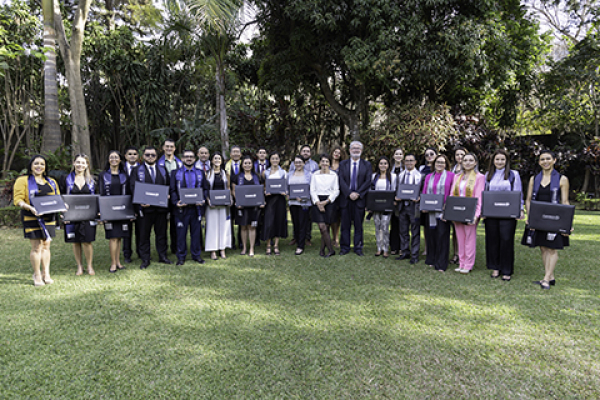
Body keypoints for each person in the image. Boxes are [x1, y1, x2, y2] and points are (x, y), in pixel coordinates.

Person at [522, 150, 570, 290]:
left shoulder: (562, 179)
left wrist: (567, 223)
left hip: (555, 219)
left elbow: (565, 201)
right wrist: (530, 217)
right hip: (538, 219)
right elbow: (529, 199)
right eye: (542, 159)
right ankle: (550, 276)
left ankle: (546, 278)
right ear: (539, 162)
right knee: (543, 247)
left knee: (552, 248)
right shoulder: (534, 179)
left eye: (548, 158)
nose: (545, 161)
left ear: (554, 160)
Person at [13, 155, 60, 286]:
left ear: (45, 168)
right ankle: (37, 274)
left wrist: (63, 206)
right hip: (31, 216)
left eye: (42, 164)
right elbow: (18, 199)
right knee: (36, 246)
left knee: (46, 245)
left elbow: (57, 198)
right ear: (31, 166)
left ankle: (46, 273)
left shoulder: (51, 181)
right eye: (36, 164)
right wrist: (30, 208)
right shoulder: (23, 181)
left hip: (49, 218)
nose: (39, 166)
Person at [484, 149, 523, 281]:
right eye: (497, 159)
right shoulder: (488, 175)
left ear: (506, 161)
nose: (499, 162)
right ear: (493, 161)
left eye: (502, 159)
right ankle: (495, 267)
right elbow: (484, 192)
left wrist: (520, 210)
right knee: (492, 240)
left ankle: (506, 270)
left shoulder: (513, 174)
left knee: (506, 240)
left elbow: (518, 193)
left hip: (508, 213)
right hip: (491, 213)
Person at [130, 146, 171, 269]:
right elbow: (133, 188)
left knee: (162, 234)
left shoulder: (163, 170)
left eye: (153, 155)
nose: (150, 157)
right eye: (147, 155)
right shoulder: (137, 171)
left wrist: (167, 195)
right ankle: (145, 258)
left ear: (156, 157)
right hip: (145, 209)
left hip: (160, 209)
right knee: (143, 235)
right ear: (143, 157)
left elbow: (168, 185)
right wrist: (139, 202)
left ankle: (162, 256)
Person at [170, 149, 208, 265]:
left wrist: (203, 199)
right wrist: (176, 202)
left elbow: (205, 189)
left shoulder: (200, 172)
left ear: (195, 159)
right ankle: (181, 256)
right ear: (182, 159)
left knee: (196, 233)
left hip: (196, 209)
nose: (189, 158)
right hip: (181, 208)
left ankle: (196, 255)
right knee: (181, 234)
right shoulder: (175, 173)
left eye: (191, 156)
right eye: (186, 156)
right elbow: (172, 190)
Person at [61, 154, 97, 276]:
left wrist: (98, 212)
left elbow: (97, 198)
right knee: (75, 241)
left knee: (87, 241)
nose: (80, 165)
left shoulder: (92, 180)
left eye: (83, 163)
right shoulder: (66, 179)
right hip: (72, 215)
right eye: (78, 162)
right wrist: (63, 213)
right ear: (74, 163)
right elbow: (61, 197)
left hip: (88, 215)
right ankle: (79, 267)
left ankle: (89, 266)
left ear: (87, 165)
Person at [449, 153, 485, 274]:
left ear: (475, 162)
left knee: (469, 238)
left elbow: (479, 196)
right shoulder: (457, 176)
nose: (468, 162)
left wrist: (476, 215)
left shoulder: (479, 177)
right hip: (457, 211)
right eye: (465, 160)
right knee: (460, 237)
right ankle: (461, 262)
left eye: (471, 160)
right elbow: (451, 195)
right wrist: (449, 211)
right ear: (462, 163)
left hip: (471, 211)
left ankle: (468, 264)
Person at [421, 154, 455, 271]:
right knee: (431, 236)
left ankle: (441, 263)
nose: (439, 164)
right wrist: (423, 206)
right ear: (434, 164)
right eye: (437, 162)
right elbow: (425, 192)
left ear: (446, 164)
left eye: (442, 162)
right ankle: (432, 259)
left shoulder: (451, 176)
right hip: (430, 211)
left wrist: (448, 206)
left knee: (442, 236)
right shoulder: (428, 177)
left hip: (443, 210)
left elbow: (452, 192)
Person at [338, 141, 372, 256]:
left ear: (361, 151)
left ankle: (358, 248)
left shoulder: (367, 165)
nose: (356, 150)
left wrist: (357, 193)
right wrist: (349, 193)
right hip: (345, 199)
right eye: (353, 148)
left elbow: (368, 181)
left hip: (359, 200)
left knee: (358, 225)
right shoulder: (343, 164)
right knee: (345, 225)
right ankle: (345, 247)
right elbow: (341, 180)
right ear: (349, 150)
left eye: (358, 148)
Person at [99, 150, 130, 273]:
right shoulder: (103, 175)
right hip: (109, 210)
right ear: (108, 160)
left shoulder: (124, 175)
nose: (114, 159)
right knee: (112, 237)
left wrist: (129, 212)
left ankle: (118, 262)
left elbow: (128, 193)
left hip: (122, 210)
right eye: (111, 157)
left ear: (120, 160)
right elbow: (101, 193)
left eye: (116, 157)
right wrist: (102, 212)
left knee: (119, 237)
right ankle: (113, 263)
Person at [232, 155, 264, 257]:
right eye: (245, 163)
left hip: (254, 207)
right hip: (242, 207)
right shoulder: (237, 177)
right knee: (243, 227)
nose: (247, 165)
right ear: (242, 165)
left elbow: (261, 190)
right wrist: (238, 201)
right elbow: (233, 191)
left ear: (252, 165)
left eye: (249, 163)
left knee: (252, 227)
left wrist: (261, 201)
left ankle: (251, 248)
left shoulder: (257, 176)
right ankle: (244, 247)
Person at [310, 154, 340, 257]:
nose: (324, 163)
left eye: (327, 162)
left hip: (329, 202)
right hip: (317, 201)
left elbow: (336, 190)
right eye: (323, 161)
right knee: (322, 227)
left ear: (329, 163)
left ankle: (322, 250)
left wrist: (326, 201)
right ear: (320, 163)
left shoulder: (334, 175)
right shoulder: (315, 175)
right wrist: (318, 202)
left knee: (326, 227)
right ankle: (331, 250)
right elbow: (312, 190)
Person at [395, 153, 422, 264]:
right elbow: (397, 189)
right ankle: (405, 252)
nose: (409, 163)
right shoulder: (401, 175)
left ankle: (414, 255)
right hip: (402, 207)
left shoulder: (420, 176)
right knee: (403, 231)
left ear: (415, 162)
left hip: (414, 207)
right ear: (404, 162)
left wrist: (419, 197)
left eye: (411, 160)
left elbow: (422, 191)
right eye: (407, 161)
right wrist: (396, 197)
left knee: (415, 232)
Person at [158, 138, 183, 255]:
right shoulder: (158, 163)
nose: (169, 148)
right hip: (162, 197)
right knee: (162, 225)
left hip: (175, 196)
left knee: (175, 223)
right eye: (167, 146)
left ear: (174, 148)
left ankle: (175, 247)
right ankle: (163, 250)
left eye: (171, 146)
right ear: (163, 148)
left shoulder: (179, 163)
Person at [205, 152, 232, 260]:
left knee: (224, 226)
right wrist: (208, 201)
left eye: (219, 158)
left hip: (223, 205)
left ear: (221, 161)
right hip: (211, 205)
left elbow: (228, 188)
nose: (217, 160)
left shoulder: (226, 174)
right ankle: (213, 250)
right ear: (212, 161)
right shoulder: (207, 173)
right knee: (212, 227)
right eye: (215, 158)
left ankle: (222, 249)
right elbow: (205, 189)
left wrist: (230, 199)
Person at [368, 156, 395, 258]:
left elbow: (393, 191)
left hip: (387, 206)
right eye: (381, 163)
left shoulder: (392, 177)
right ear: (378, 165)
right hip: (376, 206)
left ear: (388, 165)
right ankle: (379, 248)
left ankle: (386, 249)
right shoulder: (374, 176)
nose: (383, 165)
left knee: (385, 227)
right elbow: (371, 191)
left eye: (385, 163)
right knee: (377, 226)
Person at [261, 151, 288, 255]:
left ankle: (276, 245)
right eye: (273, 158)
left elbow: (286, 188)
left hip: (280, 200)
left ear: (279, 160)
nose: (275, 160)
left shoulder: (283, 173)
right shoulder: (265, 172)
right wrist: (265, 192)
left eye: (277, 158)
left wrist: (284, 192)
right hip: (269, 200)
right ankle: (268, 245)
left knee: (278, 221)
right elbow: (263, 186)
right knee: (268, 222)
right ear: (270, 160)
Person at [288, 155, 312, 255]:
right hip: (293, 203)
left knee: (303, 224)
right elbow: (286, 188)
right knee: (296, 223)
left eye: (300, 162)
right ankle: (298, 240)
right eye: (296, 162)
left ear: (304, 163)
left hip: (304, 203)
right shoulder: (289, 174)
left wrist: (304, 197)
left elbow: (311, 189)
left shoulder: (309, 174)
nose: (298, 164)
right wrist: (289, 196)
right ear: (294, 163)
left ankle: (300, 246)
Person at [450, 147, 468, 264]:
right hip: (454, 202)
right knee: (455, 231)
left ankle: (465, 255)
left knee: (465, 231)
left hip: (466, 203)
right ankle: (456, 254)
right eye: (457, 154)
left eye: (462, 154)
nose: (459, 157)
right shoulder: (452, 169)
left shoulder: (470, 169)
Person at [122, 146, 140, 263]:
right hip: (125, 203)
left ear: (138, 156)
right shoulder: (120, 169)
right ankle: (127, 254)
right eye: (130, 154)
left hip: (139, 203)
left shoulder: (142, 169)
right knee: (126, 231)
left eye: (134, 154)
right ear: (125, 156)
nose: (132, 156)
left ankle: (140, 252)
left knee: (140, 230)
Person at [419, 147, 438, 257]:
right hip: (425, 200)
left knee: (436, 226)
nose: (429, 156)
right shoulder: (421, 168)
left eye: (432, 153)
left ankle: (435, 247)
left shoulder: (440, 167)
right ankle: (427, 247)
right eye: (427, 155)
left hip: (437, 201)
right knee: (426, 225)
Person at [224, 145, 242, 249]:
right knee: (229, 220)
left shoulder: (244, 165)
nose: (235, 154)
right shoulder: (226, 165)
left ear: (240, 154)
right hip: (229, 195)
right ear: (230, 154)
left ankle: (241, 242)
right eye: (233, 152)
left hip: (241, 196)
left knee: (240, 220)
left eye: (237, 152)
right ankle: (231, 242)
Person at [329, 145, 346, 248]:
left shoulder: (343, 166)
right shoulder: (327, 165)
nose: (336, 154)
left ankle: (336, 238)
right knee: (332, 217)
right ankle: (332, 236)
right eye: (335, 152)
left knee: (338, 218)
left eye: (339, 153)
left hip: (340, 194)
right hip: (329, 194)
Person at [389, 148, 404, 255]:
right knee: (393, 224)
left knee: (403, 224)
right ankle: (394, 247)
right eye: (396, 154)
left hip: (403, 200)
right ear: (393, 156)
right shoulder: (390, 169)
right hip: (392, 199)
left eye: (400, 154)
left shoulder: (406, 169)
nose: (398, 155)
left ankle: (402, 247)